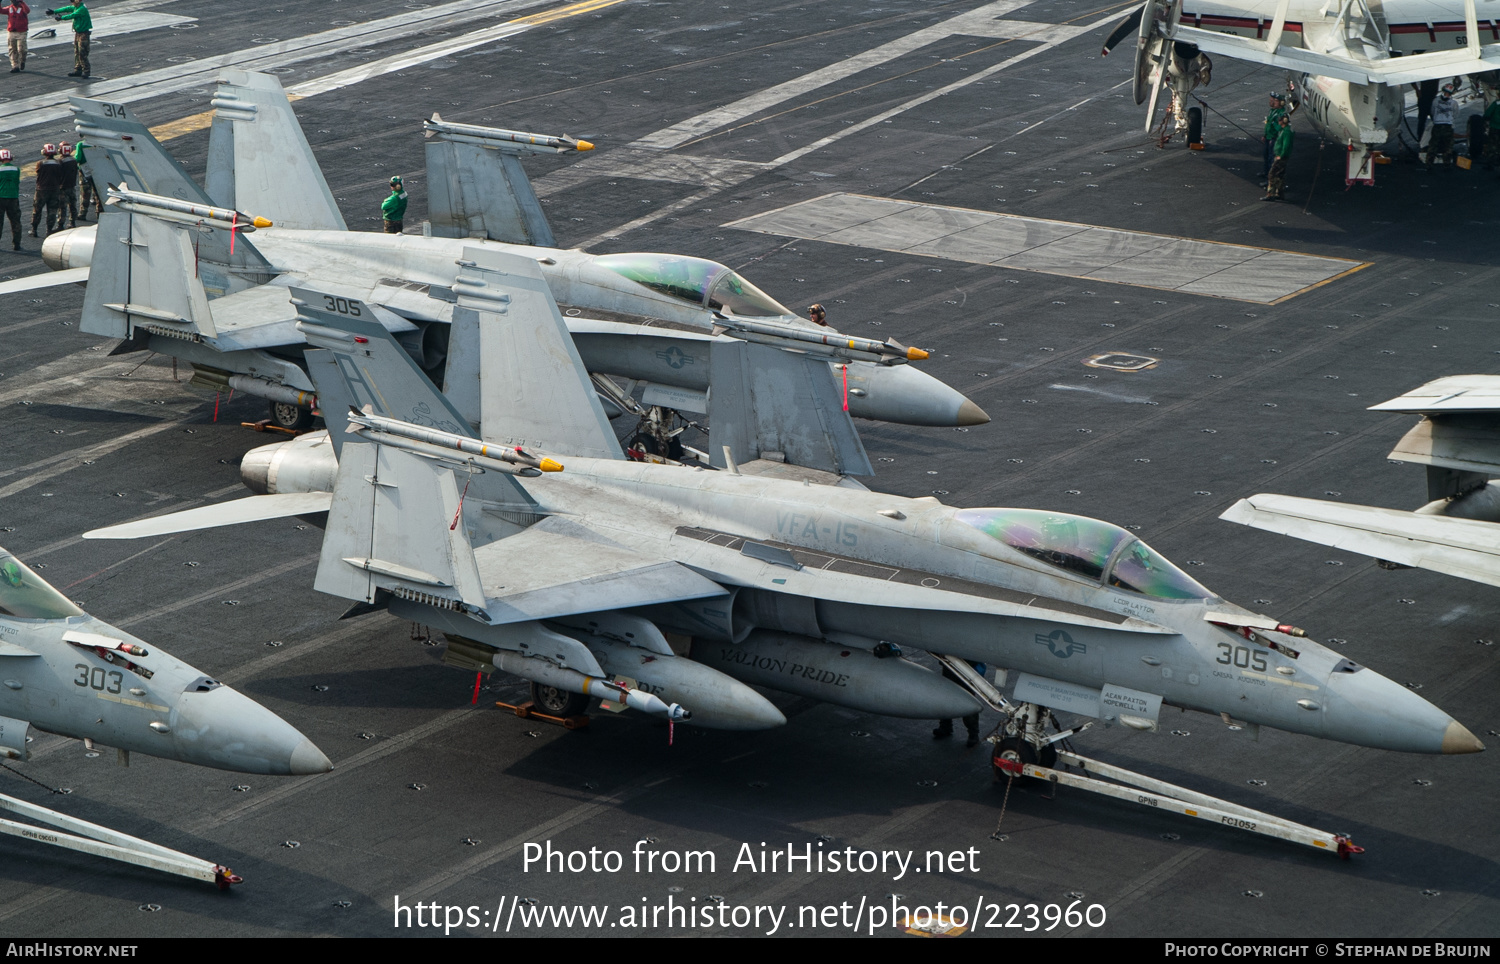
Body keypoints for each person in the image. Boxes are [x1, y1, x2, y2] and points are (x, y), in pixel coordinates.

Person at [933, 661, 986, 747]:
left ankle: (973, 734)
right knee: (946, 696)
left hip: (965, 666)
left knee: (967, 699)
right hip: (950, 664)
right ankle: (945, 725)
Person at [47, 2, 89, 78]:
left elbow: (72, 15)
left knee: (82, 53)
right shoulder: (77, 7)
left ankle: (86, 71)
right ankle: (78, 70)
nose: (72, 3)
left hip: (83, 34)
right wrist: (54, 11)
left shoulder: (81, 9)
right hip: (78, 33)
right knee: (77, 52)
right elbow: (67, 8)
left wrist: (61, 18)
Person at [30, 144, 64, 237]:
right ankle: (49, 230)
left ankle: (34, 230)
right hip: (55, 189)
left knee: (37, 210)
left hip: (42, 190)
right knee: (52, 211)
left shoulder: (40, 163)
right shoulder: (59, 163)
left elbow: (38, 172)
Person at [1263, 114, 1294, 201]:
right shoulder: (1284, 130)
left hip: (1281, 158)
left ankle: (1270, 194)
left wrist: (1281, 155)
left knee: (1272, 174)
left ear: (1283, 121)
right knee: (1280, 176)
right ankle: (1279, 194)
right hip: (1280, 156)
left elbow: (1286, 145)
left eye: (1279, 120)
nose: (1278, 122)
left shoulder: (1286, 132)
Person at [1426, 83, 1456, 170]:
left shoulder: (1435, 100)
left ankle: (1429, 163)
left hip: (1437, 125)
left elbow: (1432, 111)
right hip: (1447, 125)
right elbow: (1456, 114)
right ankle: (1446, 164)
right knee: (1448, 146)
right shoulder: (1453, 103)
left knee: (1433, 145)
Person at [74, 138, 101, 219]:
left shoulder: (81, 144)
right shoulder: (98, 142)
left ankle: (83, 213)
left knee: (85, 193)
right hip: (97, 170)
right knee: (98, 193)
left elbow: (78, 158)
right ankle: (99, 213)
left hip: (84, 171)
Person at [0, 149, 20, 250]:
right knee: (15, 221)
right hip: (13, 197)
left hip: (1, 197)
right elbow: (17, 182)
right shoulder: (16, 169)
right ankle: (16, 243)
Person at [57, 139, 78, 228]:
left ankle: (60, 224)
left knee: (62, 207)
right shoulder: (73, 160)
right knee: (72, 205)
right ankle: (72, 222)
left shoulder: (60, 161)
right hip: (72, 186)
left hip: (63, 187)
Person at [3, 0, 28, 73]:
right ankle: (15, 66)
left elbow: (27, 11)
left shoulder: (22, 8)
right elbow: (1, 10)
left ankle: (22, 61)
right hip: (11, 32)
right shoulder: (9, 8)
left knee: (22, 49)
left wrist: (22, 3)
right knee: (12, 49)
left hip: (21, 32)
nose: (13, 2)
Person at [1484, 96, 1500, 171]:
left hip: (1495, 128)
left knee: (1492, 146)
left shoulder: (1496, 103)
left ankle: (1490, 164)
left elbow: (1487, 114)